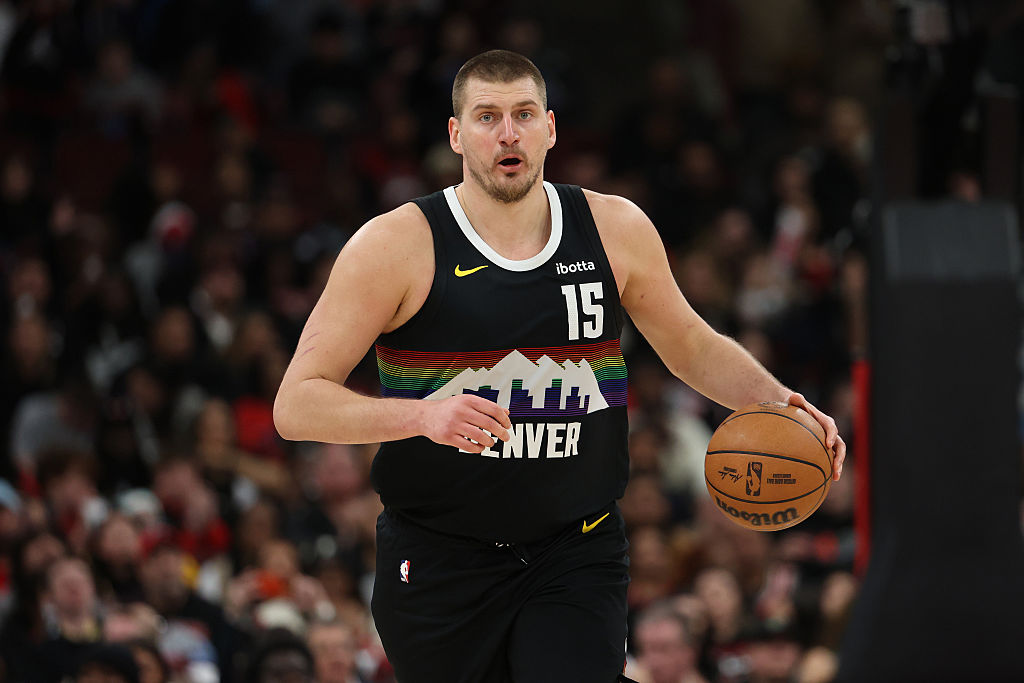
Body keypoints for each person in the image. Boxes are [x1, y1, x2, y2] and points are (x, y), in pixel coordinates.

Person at [274, 49, 845, 683]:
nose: (508, 133)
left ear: (550, 128)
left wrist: (778, 401)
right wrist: (423, 416)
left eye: (523, 114)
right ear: (456, 135)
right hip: (439, 554)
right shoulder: (395, 244)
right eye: (487, 117)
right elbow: (296, 404)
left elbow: (690, 342)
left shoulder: (614, 228)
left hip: (577, 547)